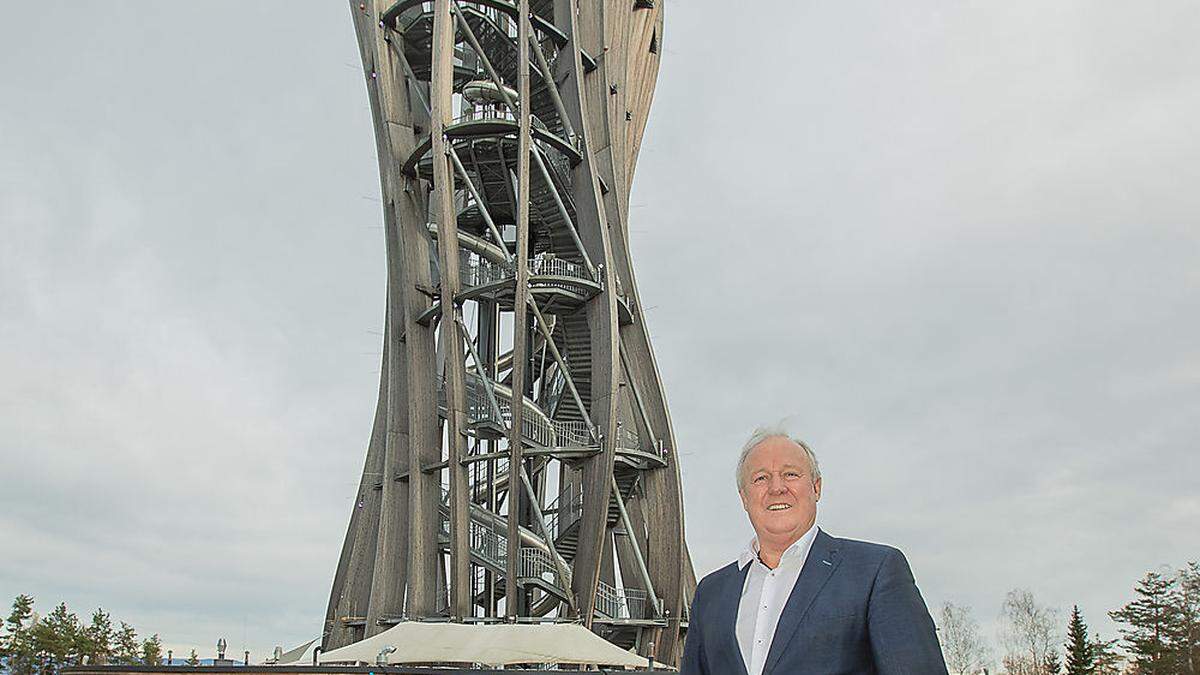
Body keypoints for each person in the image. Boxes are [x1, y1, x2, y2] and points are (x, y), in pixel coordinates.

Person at [681, 427, 947, 675]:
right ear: (744, 497)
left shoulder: (875, 572)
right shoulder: (711, 594)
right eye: (761, 478)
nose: (777, 488)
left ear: (816, 487)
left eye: (790, 474)